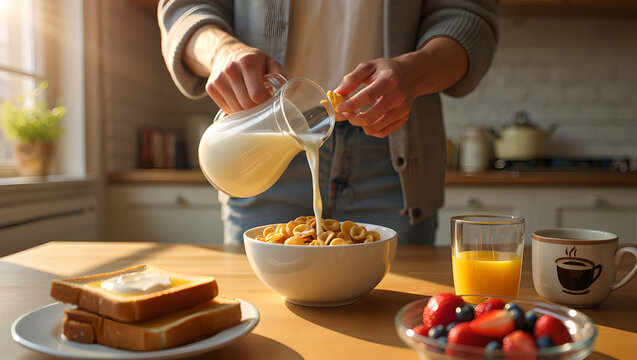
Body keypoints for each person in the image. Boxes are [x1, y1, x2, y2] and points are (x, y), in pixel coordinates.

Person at [158, 0, 498, 245]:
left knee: (386, 320)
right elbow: (182, 8)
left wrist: (414, 72)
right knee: (265, 318)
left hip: (393, 154)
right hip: (261, 139)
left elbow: (469, 16)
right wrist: (222, 51)